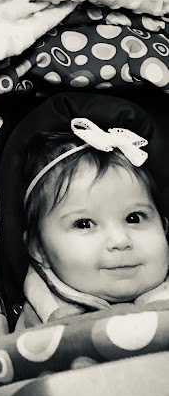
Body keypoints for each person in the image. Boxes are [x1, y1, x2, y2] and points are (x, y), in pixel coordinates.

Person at [17, 117, 169, 328]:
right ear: (39, 248)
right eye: (84, 224)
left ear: (164, 227)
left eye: (134, 218)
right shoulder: (40, 319)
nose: (120, 240)